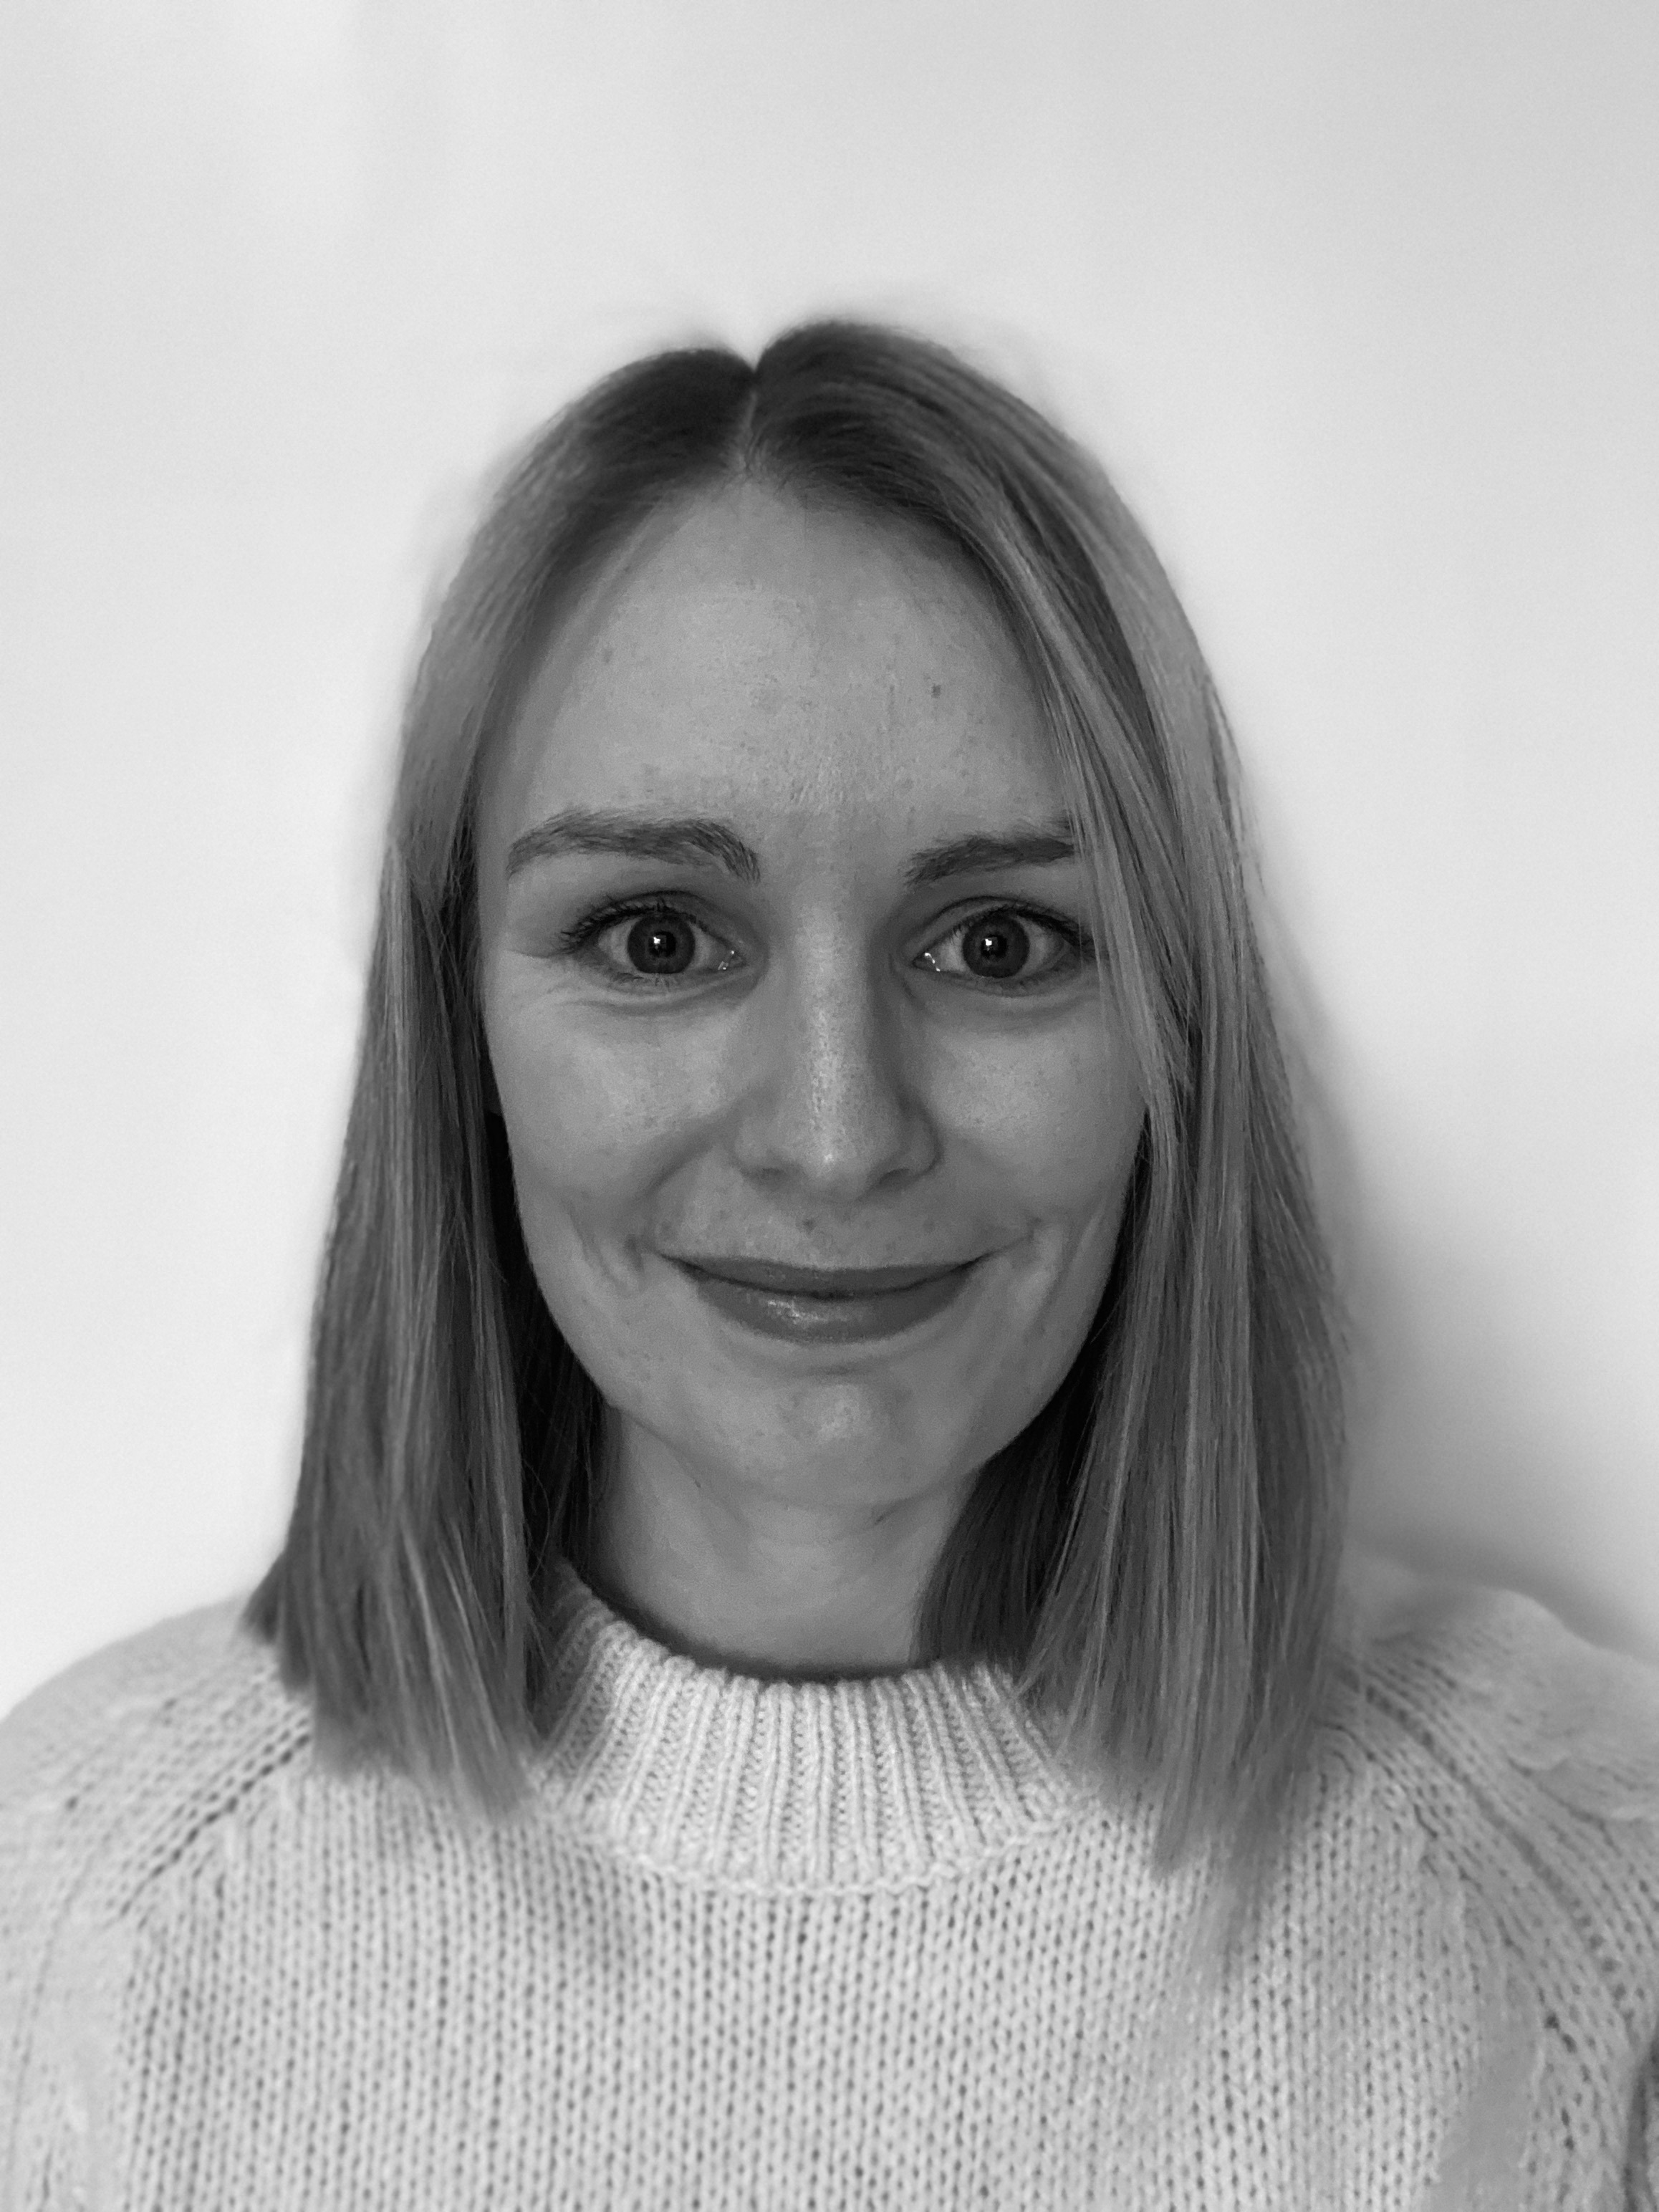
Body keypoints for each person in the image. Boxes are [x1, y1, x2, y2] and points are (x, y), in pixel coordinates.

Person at [2, 318, 1656, 2210]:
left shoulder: (1579, 1909)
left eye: (998, 943)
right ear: (460, 1030)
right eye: (655, 939)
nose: (835, 1133)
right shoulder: (78, 1920)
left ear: (1172, 1034)